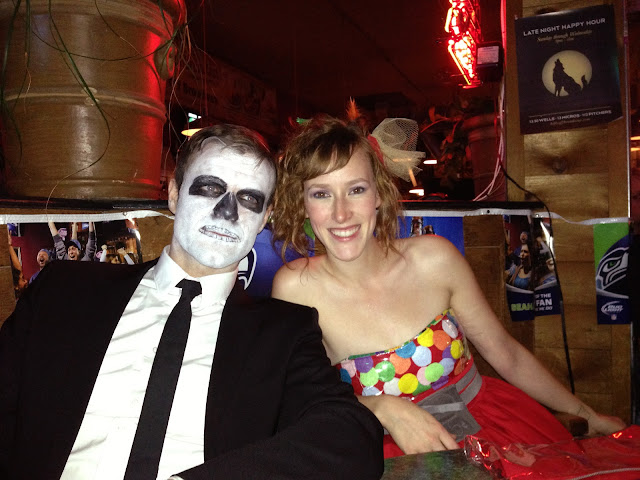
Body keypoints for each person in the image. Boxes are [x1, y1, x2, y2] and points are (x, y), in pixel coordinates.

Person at [0, 124, 383, 479]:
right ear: (173, 193)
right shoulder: (65, 290)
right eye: (210, 188)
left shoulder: (283, 333)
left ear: (265, 217)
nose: (227, 212)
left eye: (249, 199)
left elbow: (349, 436)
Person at [270, 115, 625, 458]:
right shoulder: (295, 288)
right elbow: (294, 400)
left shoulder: (435, 258)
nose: (341, 213)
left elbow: (507, 354)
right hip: (380, 456)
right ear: (302, 203)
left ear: (378, 193)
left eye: (356, 190)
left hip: (491, 429)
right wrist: (379, 407)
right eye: (321, 194)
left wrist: (587, 414)